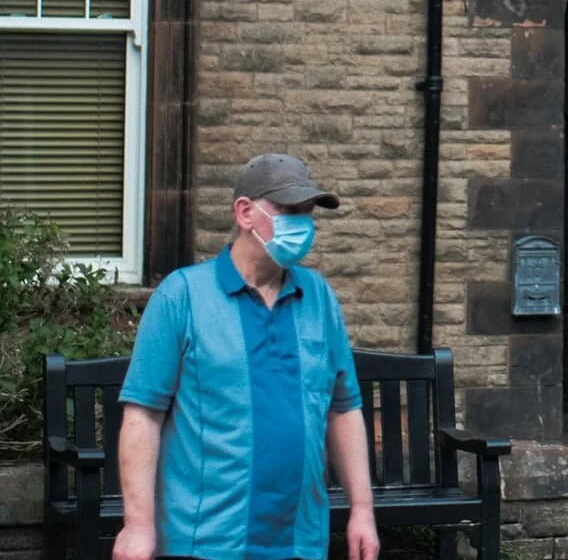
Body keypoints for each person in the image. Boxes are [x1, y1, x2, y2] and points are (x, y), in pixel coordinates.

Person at [113, 154, 378, 560]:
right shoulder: (182, 296)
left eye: (307, 213)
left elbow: (342, 408)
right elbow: (143, 416)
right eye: (289, 210)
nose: (303, 224)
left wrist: (362, 509)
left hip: (300, 539)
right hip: (204, 541)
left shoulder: (319, 296)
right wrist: (137, 526)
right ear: (244, 212)